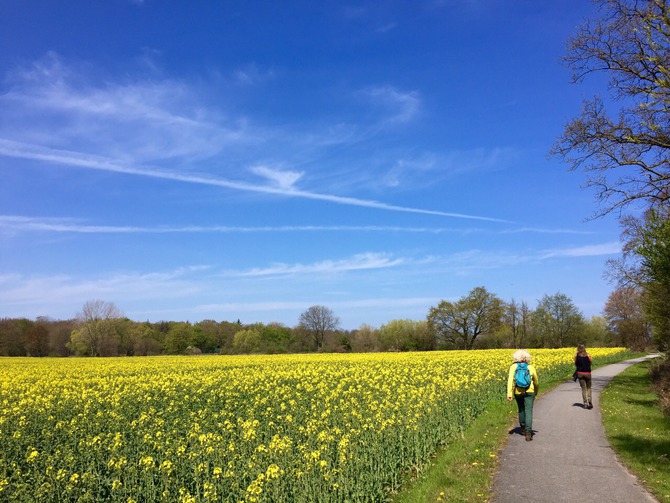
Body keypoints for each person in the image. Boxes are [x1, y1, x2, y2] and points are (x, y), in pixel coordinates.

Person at [507, 349, 539, 441]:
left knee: (521, 409)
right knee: (528, 410)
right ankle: (529, 433)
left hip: (518, 391)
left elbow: (510, 381)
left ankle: (523, 428)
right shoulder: (530, 367)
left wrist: (509, 393)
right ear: (527, 357)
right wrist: (535, 391)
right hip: (530, 392)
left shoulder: (513, 367)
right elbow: (536, 382)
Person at [575, 344, 593, 409]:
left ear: (578, 349)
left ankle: (585, 403)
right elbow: (591, 362)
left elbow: (576, 363)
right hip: (588, 373)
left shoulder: (576, 356)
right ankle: (589, 399)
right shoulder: (588, 355)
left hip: (580, 373)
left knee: (583, 388)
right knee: (589, 387)